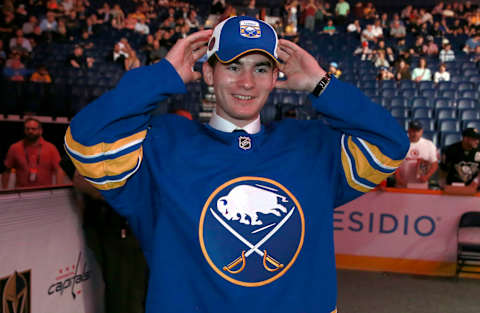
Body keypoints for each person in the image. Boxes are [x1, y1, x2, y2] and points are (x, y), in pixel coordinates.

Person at [64, 16, 409, 313]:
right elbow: (87, 142)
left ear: (276, 78)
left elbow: (390, 145)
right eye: (232, 66)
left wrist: (323, 85)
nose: (247, 82)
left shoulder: (313, 146)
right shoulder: (161, 146)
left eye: (261, 68)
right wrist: (163, 76)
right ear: (208, 73)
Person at [3, 118, 63, 189]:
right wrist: (5, 191)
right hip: (21, 194)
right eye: (27, 129)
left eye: (33, 129)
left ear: (40, 131)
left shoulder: (51, 148)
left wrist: (58, 190)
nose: (30, 131)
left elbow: (59, 170)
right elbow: (6, 171)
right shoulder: (15, 148)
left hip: (45, 193)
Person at [395, 120, 438, 189]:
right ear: (408, 131)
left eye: (417, 131)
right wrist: (398, 177)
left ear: (422, 131)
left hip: (421, 185)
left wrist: (427, 176)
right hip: (403, 184)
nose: (415, 133)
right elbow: (394, 163)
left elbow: (434, 164)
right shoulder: (400, 144)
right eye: (412, 131)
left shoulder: (429, 144)